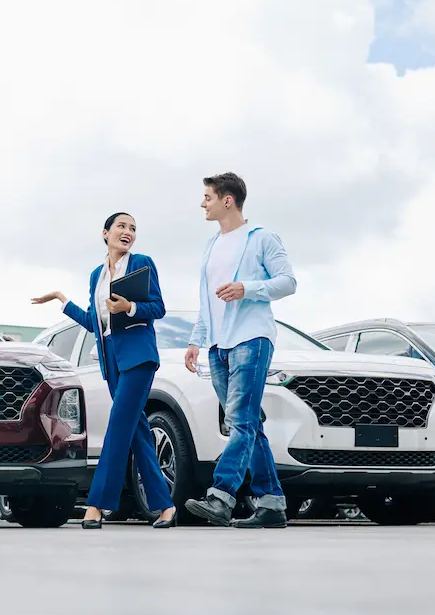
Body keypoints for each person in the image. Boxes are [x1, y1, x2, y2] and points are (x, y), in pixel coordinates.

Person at [32, 212, 177, 529]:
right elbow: (95, 325)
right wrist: (62, 299)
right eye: (122, 227)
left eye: (133, 228)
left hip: (138, 356)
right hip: (111, 360)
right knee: (137, 433)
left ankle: (97, 504)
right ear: (105, 233)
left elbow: (159, 307)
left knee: (118, 426)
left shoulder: (142, 262)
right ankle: (165, 506)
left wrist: (129, 307)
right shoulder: (96, 275)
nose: (128, 232)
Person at [183, 172, 297, 528]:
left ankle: (221, 496)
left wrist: (246, 288)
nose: (203, 203)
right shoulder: (210, 245)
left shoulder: (260, 238)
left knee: (241, 421)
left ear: (227, 200)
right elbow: (206, 302)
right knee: (249, 424)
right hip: (219, 346)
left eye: (208, 197)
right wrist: (195, 341)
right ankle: (272, 504)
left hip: (251, 339)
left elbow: (287, 282)